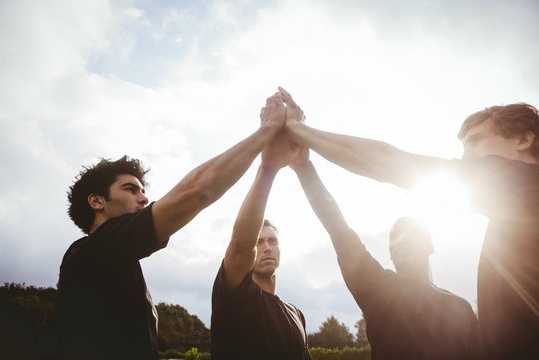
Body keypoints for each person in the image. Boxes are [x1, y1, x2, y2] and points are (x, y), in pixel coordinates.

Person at [280, 87, 539, 360]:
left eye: (476, 141)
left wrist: (299, 130)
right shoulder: (514, 214)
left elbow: (391, 162)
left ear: (523, 139)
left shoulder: (525, 183)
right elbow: (340, 232)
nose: (465, 157)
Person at [56, 92, 289, 359]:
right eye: (131, 189)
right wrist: (268, 130)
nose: (143, 198)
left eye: (143, 190)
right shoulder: (96, 247)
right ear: (97, 201)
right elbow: (198, 190)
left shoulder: (116, 263)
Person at [290, 148, 479, 359]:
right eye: (394, 240)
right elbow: (337, 227)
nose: (399, 243)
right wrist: (303, 166)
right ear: (390, 253)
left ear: (430, 247)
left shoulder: (461, 308)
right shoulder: (380, 289)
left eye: (411, 235)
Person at [210, 97, 312, 360]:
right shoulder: (234, 295)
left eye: (272, 241)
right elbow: (241, 242)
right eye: (259, 241)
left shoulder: (297, 314)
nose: (266, 246)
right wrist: (269, 166)